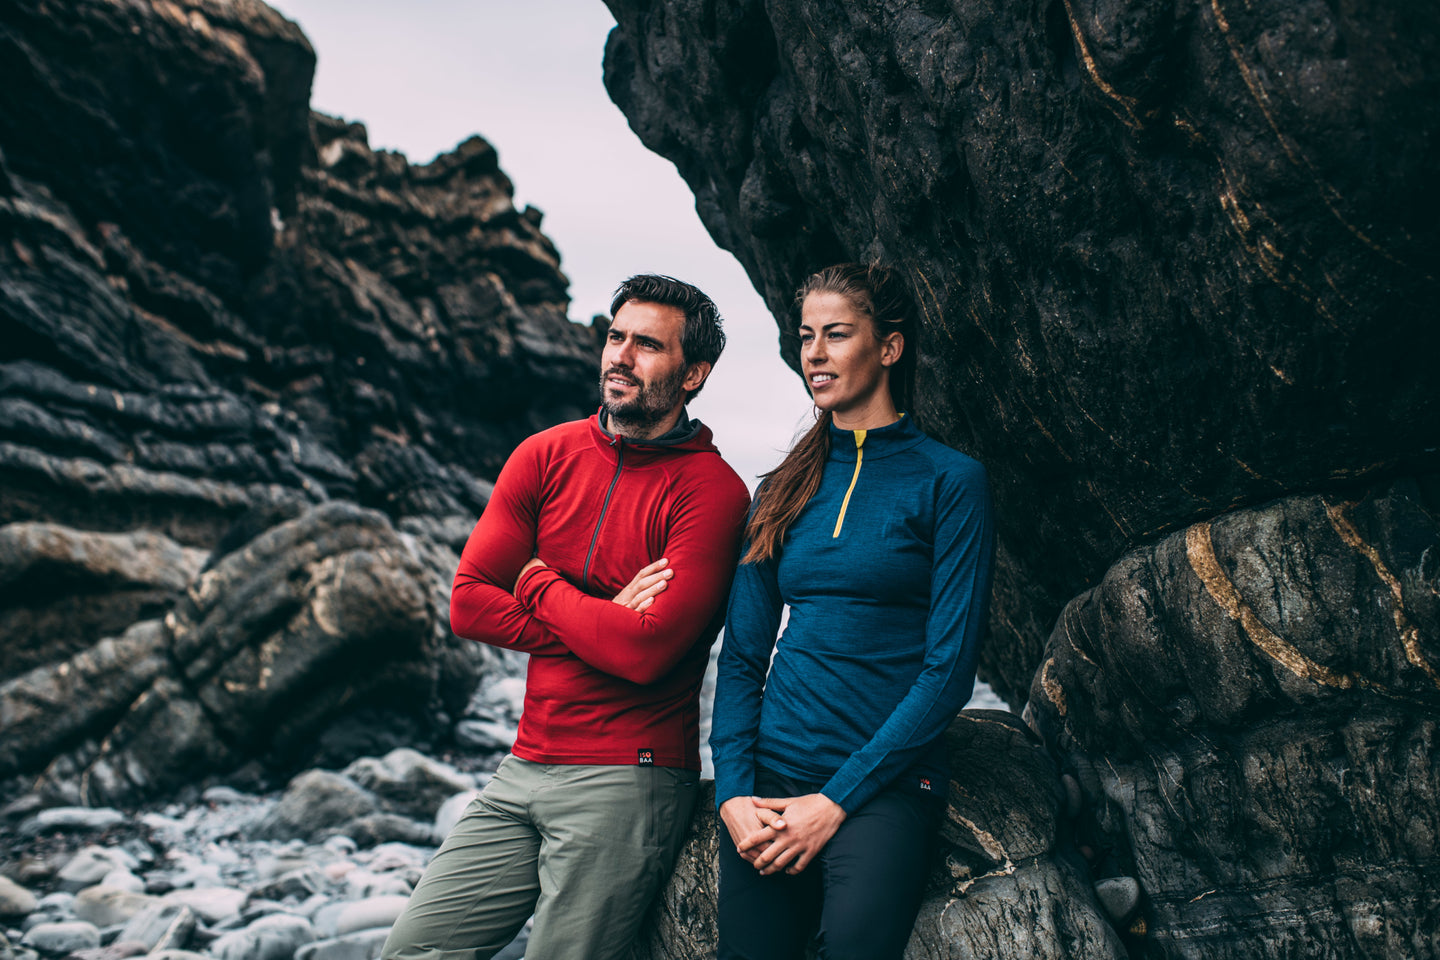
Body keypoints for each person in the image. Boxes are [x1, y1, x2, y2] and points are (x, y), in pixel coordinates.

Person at [381, 275, 751, 960]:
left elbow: (646, 653)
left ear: (694, 373)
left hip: (628, 775)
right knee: (413, 949)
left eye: (647, 345)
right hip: (524, 763)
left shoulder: (713, 491)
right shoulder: (545, 455)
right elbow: (467, 602)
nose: (620, 356)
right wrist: (603, 616)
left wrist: (535, 581)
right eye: (615, 337)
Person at [709, 262, 996, 959]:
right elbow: (744, 657)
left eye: (836, 334)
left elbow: (948, 672)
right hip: (772, 777)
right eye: (806, 336)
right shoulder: (781, 489)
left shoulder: (951, 481)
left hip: (885, 785)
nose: (814, 353)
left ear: (888, 348)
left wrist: (835, 801)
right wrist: (734, 794)